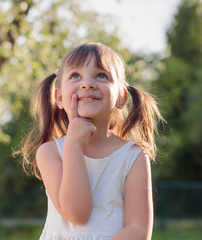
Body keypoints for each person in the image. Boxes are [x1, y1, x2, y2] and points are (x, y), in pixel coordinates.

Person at [16, 42, 164, 239]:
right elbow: (77, 213)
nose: (87, 84)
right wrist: (73, 145)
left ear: (121, 97)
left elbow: (138, 230)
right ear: (59, 97)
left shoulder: (133, 156)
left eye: (101, 75)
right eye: (75, 76)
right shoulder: (50, 152)